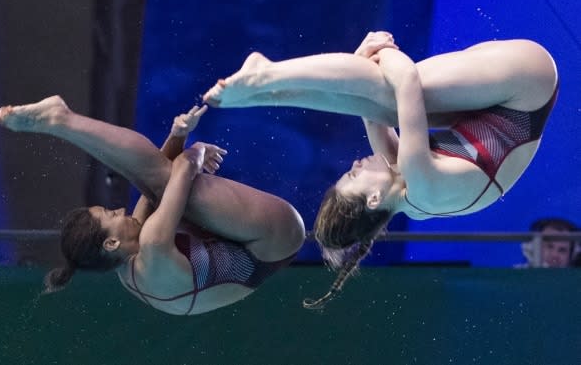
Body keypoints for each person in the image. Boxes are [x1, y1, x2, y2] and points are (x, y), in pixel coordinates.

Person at [203, 31, 558, 308]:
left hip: (497, 101)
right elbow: (404, 81)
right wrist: (382, 49)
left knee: (383, 104)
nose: (355, 164)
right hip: (527, 83)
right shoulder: (423, 184)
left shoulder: (402, 188)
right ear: (373, 198)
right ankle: (266, 74)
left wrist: (360, 57)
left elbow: (370, 113)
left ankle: (264, 92)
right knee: (391, 94)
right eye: (354, 176)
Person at [0, 96, 304, 315]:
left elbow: (154, 191)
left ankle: (60, 122)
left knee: (156, 183)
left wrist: (177, 134)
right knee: (165, 180)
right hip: (271, 240)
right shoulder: (152, 247)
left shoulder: (127, 256)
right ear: (111, 241)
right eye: (110, 215)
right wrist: (196, 148)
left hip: (230, 243)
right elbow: (183, 167)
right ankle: (60, 120)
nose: (118, 210)